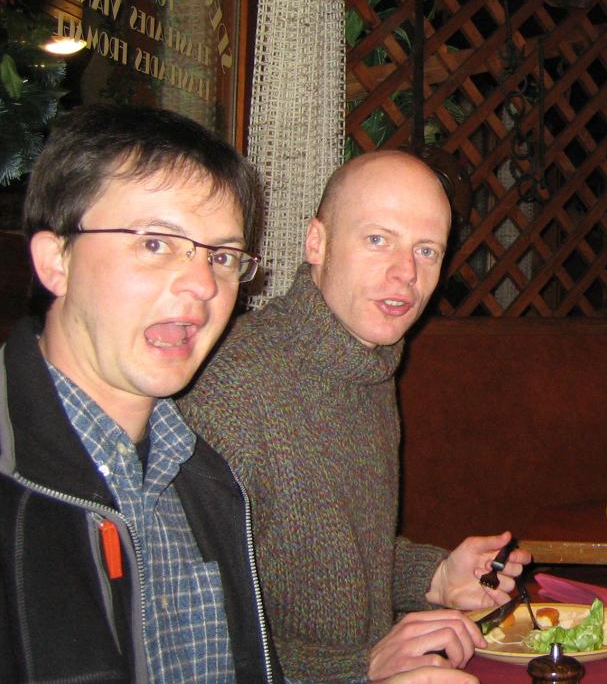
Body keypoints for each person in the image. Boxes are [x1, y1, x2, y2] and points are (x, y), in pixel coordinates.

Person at [180, 150, 530, 683]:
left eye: (426, 250)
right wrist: (358, 668)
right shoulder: (229, 388)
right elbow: (187, 639)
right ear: (316, 243)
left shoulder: (368, 364)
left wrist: (435, 576)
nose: (406, 273)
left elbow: (321, 563)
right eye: (378, 239)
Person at [0, 104, 283, 681]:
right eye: (156, 243)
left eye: (222, 256)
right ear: (56, 261)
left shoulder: (204, 477)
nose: (203, 284)